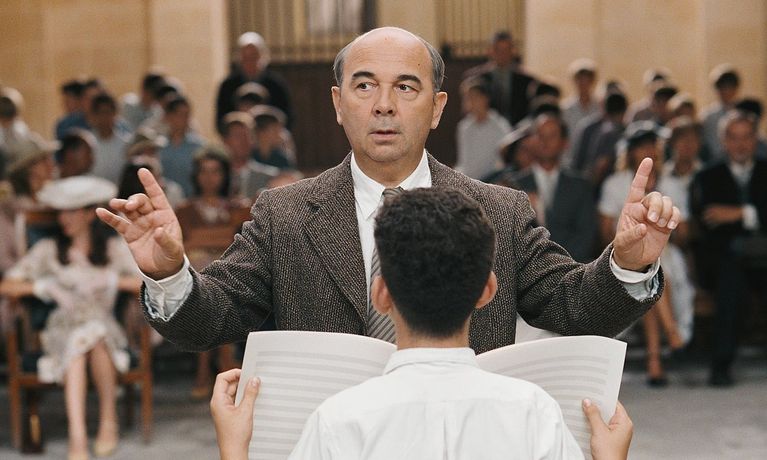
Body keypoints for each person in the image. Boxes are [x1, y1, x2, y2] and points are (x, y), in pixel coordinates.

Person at [98, 27, 679, 357]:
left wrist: (627, 264)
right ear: (337, 103)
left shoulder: (498, 212)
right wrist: (169, 274)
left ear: (437, 107)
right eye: (364, 86)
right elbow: (211, 320)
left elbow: (574, 308)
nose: (383, 105)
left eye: (405, 87)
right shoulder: (285, 215)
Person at [210, 188, 634, 460]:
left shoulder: (338, 420)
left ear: (381, 295)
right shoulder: (533, 412)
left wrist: (234, 448)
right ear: (488, 290)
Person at [0, 176, 141, 460]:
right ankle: (87, 432)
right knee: (83, 340)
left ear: (89, 214)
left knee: (95, 336)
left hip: (103, 325)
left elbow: (144, 282)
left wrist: (111, 280)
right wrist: (44, 287)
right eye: (61, 212)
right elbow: (7, 285)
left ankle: (99, 427)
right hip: (63, 328)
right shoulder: (48, 249)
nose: (64, 218)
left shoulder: (112, 249)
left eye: (72, 211)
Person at [599, 122, 685, 386]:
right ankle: (670, 332)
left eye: (653, 145)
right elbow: (605, 230)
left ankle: (654, 360)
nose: (649, 150)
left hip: (669, 254)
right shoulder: (615, 184)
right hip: (626, 250)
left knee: (653, 269)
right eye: (642, 146)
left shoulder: (673, 183)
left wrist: (665, 226)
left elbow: (684, 232)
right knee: (648, 269)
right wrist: (630, 237)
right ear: (631, 152)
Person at [689, 110, 767, 386]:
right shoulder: (707, 176)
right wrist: (755, 215)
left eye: (746, 137)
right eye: (733, 138)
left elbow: (723, 217)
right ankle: (721, 364)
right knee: (730, 279)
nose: (740, 144)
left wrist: (739, 214)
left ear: (755, 140)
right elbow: (708, 221)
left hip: (763, 258)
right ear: (723, 141)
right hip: (724, 260)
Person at [176, 147, 244, 398]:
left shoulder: (238, 207)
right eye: (204, 171)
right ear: (196, 175)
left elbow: (238, 242)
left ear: (225, 175)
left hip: (230, 278)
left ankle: (206, 370)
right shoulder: (184, 210)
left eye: (215, 171)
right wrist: (215, 240)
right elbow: (182, 246)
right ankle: (223, 366)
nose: (209, 177)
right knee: (210, 291)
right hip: (194, 280)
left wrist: (203, 241)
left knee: (219, 291)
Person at [513, 114, 596, 262]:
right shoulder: (514, 186)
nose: (545, 141)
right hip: (526, 269)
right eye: (540, 135)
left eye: (552, 136)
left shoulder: (581, 186)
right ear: (531, 141)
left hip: (572, 266)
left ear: (565, 143)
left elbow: (586, 235)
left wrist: (560, 265)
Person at [215, 32, 293, 133]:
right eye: (246, 58)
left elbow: (286, 116)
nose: (250, 62)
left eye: (254, 57)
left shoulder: (276, 84)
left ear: (263, 56)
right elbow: (222, 119)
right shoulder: (228, 86)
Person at [454, 78, 511, 180]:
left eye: (473, 97)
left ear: (485, 98)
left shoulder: (501, 125)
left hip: (493, 180)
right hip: (468, 180)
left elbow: (504, 161)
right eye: (467, 98)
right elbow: (463, 161)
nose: (469, 102)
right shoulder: (464, 127)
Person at [701, 64, 741, 160]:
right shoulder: (708, 116)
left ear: (735, 88)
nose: (726, 91)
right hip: (716, 161)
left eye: (729, 87)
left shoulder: (744, 112)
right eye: (722, 87)